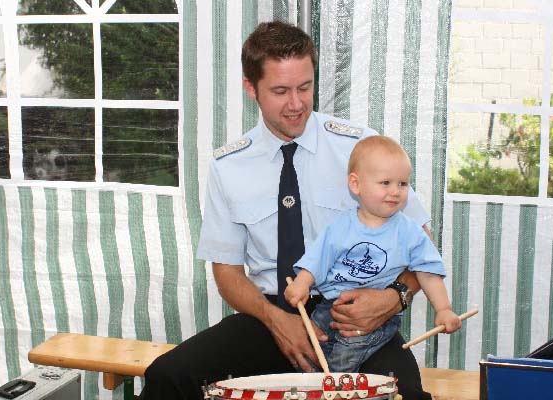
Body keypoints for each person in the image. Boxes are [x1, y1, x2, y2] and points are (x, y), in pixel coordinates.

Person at [142, 21, 433, 399]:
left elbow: (422, 240)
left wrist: (393, 298)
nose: (296, 104)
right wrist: (276, 320)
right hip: (271, 318)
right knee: (168, 377)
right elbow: (227, 272)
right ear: (251, 88)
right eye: (280, 91)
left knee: (403, 395)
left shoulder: (360, 149)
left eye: (305, 87)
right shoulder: (228, 167)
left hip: (354, 323)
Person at [285, 135, 461, 373]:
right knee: (311, 351)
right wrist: (302, 283)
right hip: (330, 306)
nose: (395, 191)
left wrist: (443, 309)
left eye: (402, 184)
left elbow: (427, 272)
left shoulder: (409, 231)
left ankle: (337, 386)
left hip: (374, 316)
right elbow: (318, 258)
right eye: (385, 183)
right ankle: (316, 383)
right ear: (356, 184)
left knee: (341, 361)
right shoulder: (341, 225)